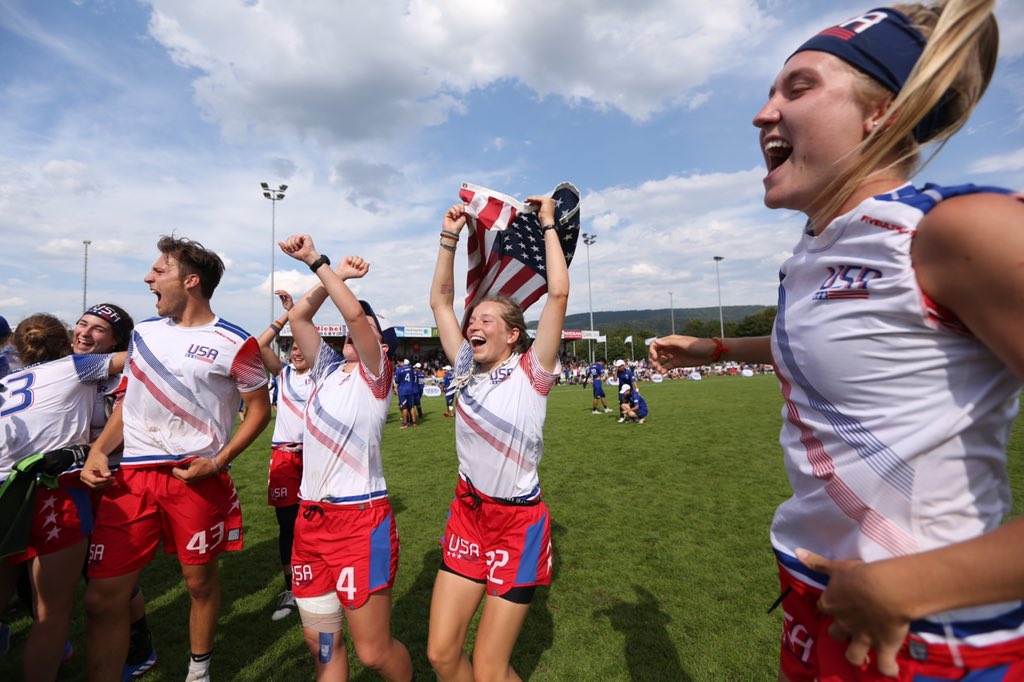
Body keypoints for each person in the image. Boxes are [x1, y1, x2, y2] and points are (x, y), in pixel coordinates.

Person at [650, 3, 1024, 679]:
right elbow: (860, 342)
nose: (763, 114)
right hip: (819, 600)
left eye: (798, 89)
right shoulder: (815, 253)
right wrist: (717, 349)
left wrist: (915, 583)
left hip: (927, 629)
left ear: (880, 113)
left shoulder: (957, 228)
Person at [81, 235, 271, 682]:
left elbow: (259, 410)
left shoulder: (236, 342)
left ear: (190, 281)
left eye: (158, 270)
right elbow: (130, 401)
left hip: (195, 478)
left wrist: (218, 461)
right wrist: (99, 450)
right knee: (101, 598)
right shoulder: (144, 334)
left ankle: (198, 672)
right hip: (132, 479)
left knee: (199, 585)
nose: (148, 278)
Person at [427, 195, 568, 682]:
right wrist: (449, 237)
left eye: (487, 320)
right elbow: (441, 301)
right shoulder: (464, 366)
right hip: (468, 514)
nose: (474, 324)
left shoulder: (532, 372)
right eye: (474, 320)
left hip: (517, 524)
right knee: (442, 655)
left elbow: (557, 296)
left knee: (489, 668)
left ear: (512, 336)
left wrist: (548, 225)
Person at [278, 235, 412, 682]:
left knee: (372, 652)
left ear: (382, 344)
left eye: (369, 326)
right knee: (324, 646)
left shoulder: (377, 374)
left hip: (359, 523)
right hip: (311, 523)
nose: (356, 325)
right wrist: (337, 276)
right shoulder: (326, 370)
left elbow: (353, 314)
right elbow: (299, 316)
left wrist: (317, 261)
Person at [0, 313, 126, 682]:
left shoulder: (7, 380)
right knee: (51, 613)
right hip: (50, 489)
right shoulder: (76, 366)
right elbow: (140, 356)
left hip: (5, 489)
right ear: (64, 342)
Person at [72, 303, 158, 679]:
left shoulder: (127, 373)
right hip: (72, 482)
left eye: (98, 329)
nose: (84, 332)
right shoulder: (68, 366)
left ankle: (139, 644)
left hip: (115, 483)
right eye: (82, 323)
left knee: (107, 576)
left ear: (117, 340)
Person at [257, 290, 313, 622]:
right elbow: (260, 345)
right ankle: (291, 589)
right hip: (285, 458)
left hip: (317, 456)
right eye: (292, 348)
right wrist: (287, 317)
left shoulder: (324, 375)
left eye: (301, 346)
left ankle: (319, 582)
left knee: (318, 520)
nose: (297, 352)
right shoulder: (284, 374)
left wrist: (300, 319)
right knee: (288, 525)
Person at [395, 359, 417, 428]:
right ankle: (414, 423)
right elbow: (413, 378)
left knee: (404, 407)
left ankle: (405, 423)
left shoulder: (399, 370)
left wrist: (395, 388)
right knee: (411, 407)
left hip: (402, 390)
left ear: (399, 361)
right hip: (410, 389)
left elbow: (397, 381)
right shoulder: (410, 369)